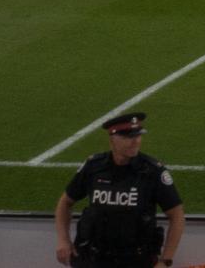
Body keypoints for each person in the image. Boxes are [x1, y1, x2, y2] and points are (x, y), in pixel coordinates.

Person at [55, 112, 183, 268]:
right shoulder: (94, 166)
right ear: (112, 139)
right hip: (93, 258)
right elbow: (65, 202)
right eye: (128, 137)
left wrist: (165, 261)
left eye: (138, 136)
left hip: (136, 260)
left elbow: (177, 215)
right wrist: (63, 240)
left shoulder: (152, 171)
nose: (135, 141)